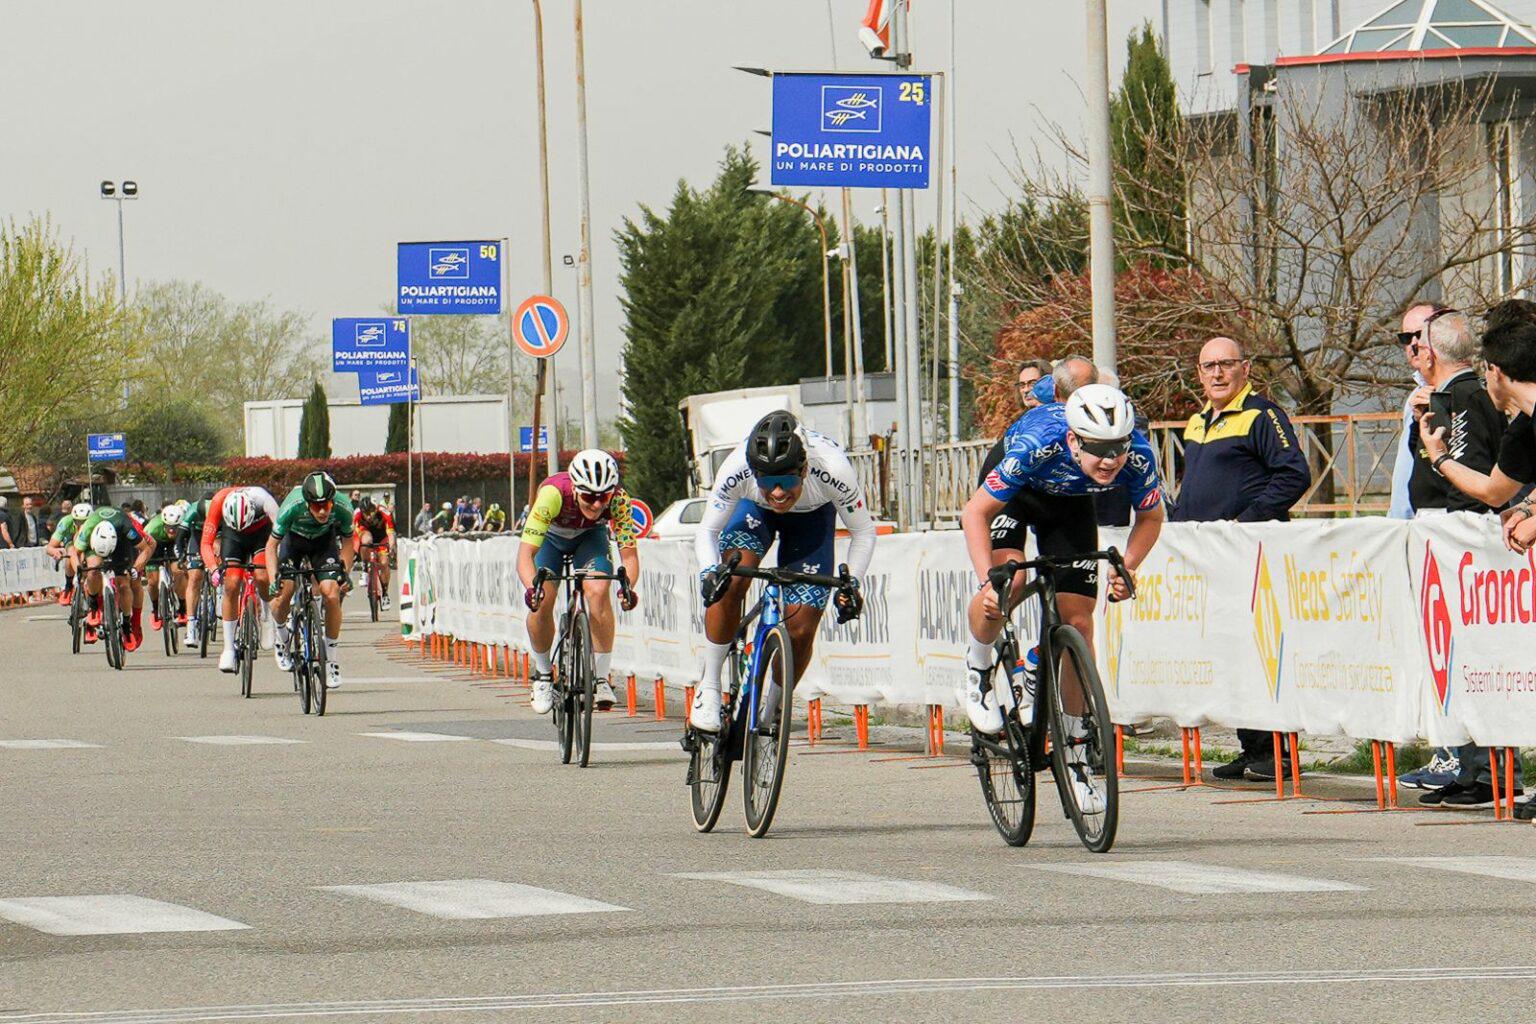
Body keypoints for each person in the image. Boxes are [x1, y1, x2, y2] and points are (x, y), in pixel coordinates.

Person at [958, 384, 1164, 815]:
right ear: (1073, 439)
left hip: (1070, 505)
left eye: (1117, 449)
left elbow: (1150, 515)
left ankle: (1075, 751)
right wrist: (987, 581)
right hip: (1015, 497)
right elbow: (974, 513)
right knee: (1008, 585)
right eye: (1098, 450)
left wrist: (1126, 566)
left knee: (1080, 623)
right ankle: (977, 670)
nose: (1110, 461)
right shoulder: (1038, 444)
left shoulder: (1139, 454)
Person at [1169, 337, 1311, 781]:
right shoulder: (1195, 423)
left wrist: (1244, 523)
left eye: (1226, 365)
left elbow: (1294, 474)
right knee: (1229, 656)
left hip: (1251, 557)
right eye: (1208, 365)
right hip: (1207, 561)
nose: (1217, 374)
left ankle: (1278, 754)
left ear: (1245, 369)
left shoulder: (1264, 415)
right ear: (1198, 372)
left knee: (1258, 654)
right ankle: (1252, 748)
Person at [690, 412, 873, 733]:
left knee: (801, 628)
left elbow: (864, 532)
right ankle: (709, 686)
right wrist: (709, 572)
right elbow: (707, 530)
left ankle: (773, 706)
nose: (776, 493)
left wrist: (851, 584)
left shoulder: (833, 469)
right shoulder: (736, 468)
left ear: (804, 469)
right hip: (753, 511)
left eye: (787, 481)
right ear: (754, 473)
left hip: (812, 519)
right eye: (767, 482)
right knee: (730, 579)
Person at [1397, 309, 1511, 809]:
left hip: (1461, 537)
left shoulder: (1468, 396)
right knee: (1451, 659)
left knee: (1476, 655)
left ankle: (1490, 771)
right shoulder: (1439, 398)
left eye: (1415, 342)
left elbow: (1471, 471)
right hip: (1437, 535)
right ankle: (1466, 764)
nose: (1412, 351)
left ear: (1433, 349)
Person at [518, 449, 641, 714]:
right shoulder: (552, 494)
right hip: (550, 540)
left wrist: (628, 587)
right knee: (542, 601)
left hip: (590, 538)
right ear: (574, 488)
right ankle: (542, 675)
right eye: (588, 496)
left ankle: (601, 677)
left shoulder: (619, 500)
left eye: (603, 497)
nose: (597, 505)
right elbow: (525, 554)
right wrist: (532, 588)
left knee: (598, 590)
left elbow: (629, 555)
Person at [268, 471, 355, 689]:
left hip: (323, 544)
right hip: (293, 542)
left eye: (327, 505)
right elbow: (271, 546)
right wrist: (272, 578)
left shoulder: (344, 507)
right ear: (307, 503)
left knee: (332, 594)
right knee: (283, 594)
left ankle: (331, 659)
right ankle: (281, 635)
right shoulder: (292, 506)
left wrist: (345, 571)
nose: (324, 511)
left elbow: (347, 542)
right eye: (317, 507)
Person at [201, 485, 280, 673]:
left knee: (262, 576)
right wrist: (213, 569)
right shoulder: (218, 501)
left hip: (261, 535)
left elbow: (280, 533)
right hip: (233, 536)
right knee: (232, 583)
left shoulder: (264, 499)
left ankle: (267, 615)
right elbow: (206, 543)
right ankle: (228, 648)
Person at [72, 504, 154, 649]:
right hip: (96, 544)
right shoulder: (89, 526)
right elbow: (74, 552)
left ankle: (127, 624)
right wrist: (78, 568)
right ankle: (93, 605)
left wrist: (136, 568)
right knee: (93, 570)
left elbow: (146, 548)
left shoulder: (126, 526)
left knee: (123, 583)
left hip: (121, 545)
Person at [142, 504, 189, 631]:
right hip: (154, 544)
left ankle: (183, 607)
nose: (172, 530)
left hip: (175, 544)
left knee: (178, 571)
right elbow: (142, 547)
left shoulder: (185, 526)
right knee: (152, 581)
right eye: (168, 527)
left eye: (175, 527)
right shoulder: (152, 527)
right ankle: (156, 609)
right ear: (163, 523)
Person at [177, 491, 215, 648]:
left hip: (217, 535)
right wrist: (181, 557)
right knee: (194, 578)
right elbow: (180, 538)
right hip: (197, 537)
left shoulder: (221, 510)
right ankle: (191, 625)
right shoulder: (192, 511)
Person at [352, 496, 396, 611]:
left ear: (375, 509)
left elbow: (390, 533)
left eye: (371, 511)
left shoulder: (384, 511)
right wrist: (356, 552)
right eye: (365, 513)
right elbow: (354, 535)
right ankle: (365, 568)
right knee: (366, 541)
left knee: (384, 563)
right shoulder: (356, 514)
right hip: (366, 535)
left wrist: (390, 547)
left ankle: (385, 593)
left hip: (381, 538)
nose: (368, 516)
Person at [45, 502, 94, 605]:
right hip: (71, 542)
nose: (81, 525)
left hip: (90, 543)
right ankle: (69, 585)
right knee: (71, 551)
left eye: (85, 522)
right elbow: (49, 547)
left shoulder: (95, 524)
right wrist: (55, 551)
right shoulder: (66, 522)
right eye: (77, 522)